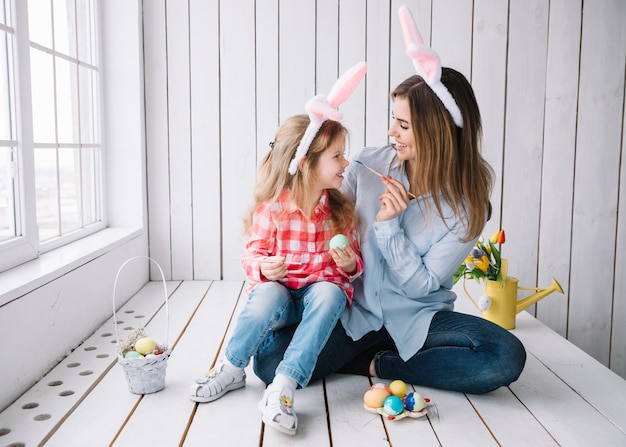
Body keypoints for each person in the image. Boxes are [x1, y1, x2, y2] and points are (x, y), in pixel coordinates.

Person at [252, 6, 526, 395]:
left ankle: (379, 364)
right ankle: (383, 359)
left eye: (403, 124)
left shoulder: (467, 208)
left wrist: (388, 228)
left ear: (436, 133)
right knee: (268, 362)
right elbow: (324, 223)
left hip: (417, 318)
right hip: (353, 316)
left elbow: (420, 288)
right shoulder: (367, 163)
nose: (390, 132)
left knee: (503, 355)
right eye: (392, 119)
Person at [189, 63, 367, 435]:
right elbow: (250, 257)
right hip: (283, 302)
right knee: (268, 293)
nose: (345, 163)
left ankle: (283, 386)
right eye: (336, 156)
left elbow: (347, 272)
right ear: (305, 163)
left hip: (317, 298)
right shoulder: (273, 209)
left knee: (332, 294)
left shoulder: (339, 212)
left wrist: (350, 264)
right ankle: (232, 368)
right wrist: (264, 268)